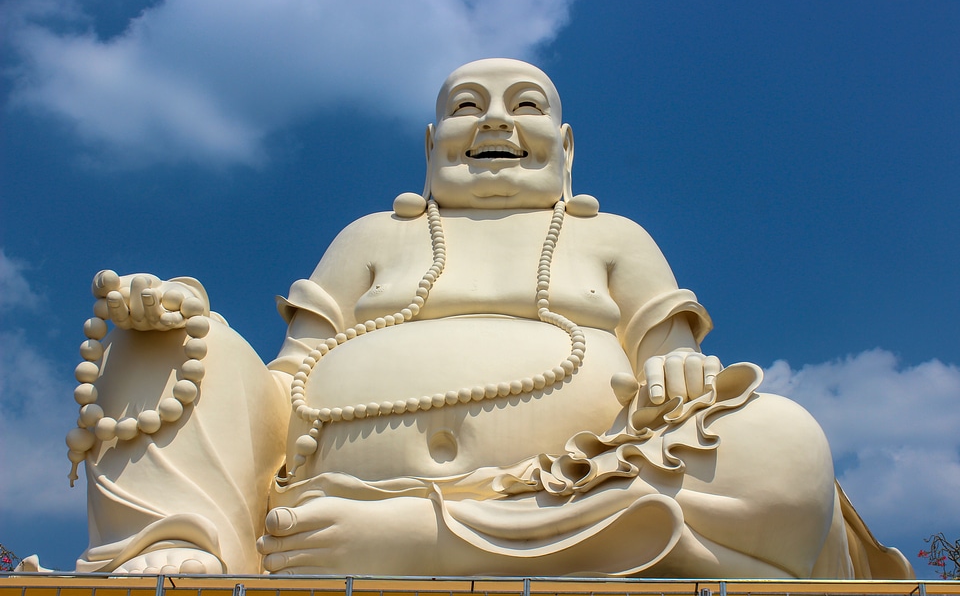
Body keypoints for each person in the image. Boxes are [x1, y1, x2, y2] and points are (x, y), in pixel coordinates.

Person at [64, 58, 912, 578]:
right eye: (469, 106)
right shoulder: (371, 238)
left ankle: (427, 538)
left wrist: (672, 369)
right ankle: (180, 537)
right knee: (171, 334)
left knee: (786, 447)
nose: (497, 120)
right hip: (325, 485)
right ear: (430, 146)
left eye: (525, 105)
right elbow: (287, 380)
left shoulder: (611, 237)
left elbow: (674, 361)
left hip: (577, 487)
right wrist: (176, 319)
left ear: (566, 146)